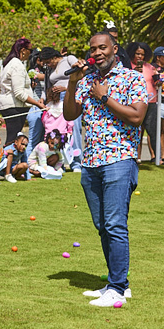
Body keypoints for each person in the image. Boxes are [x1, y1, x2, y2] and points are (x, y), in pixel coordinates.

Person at [64, 31, 147, 307]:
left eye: (103, 48)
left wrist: (103, 97)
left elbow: (136, 116)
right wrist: (74, 83)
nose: (97, 52)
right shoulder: (87, 81)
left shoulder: (132, 78)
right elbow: (69, 114)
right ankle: (116, 283)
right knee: (102, 226)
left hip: (119, 160)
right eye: (93, 49)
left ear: (114, 49)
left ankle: (118, 288)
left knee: (114, 224)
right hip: (91, 163)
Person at [0, 38, 45, 146]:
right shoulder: (17, 65)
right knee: (13, 141)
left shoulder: (8, 63)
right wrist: (37, 104)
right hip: (14, 107)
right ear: (23, 50)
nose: (31, 53)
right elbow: (18, 93)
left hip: (9, 105)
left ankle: (11, 162)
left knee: (13, 139)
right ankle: (8, 162)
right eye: (30, 49)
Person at [126, 42, 159, 164]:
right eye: (137, 54)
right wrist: (134, 71)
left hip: (150, 102)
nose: (140, 57)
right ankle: (136, 156)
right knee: (136, 129)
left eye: (142, 54)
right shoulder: (127, 66)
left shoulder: (150, 67)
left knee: (152, 130)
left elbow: (156, 82)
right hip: (134, 103)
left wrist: (158, 80)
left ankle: (156, 157)